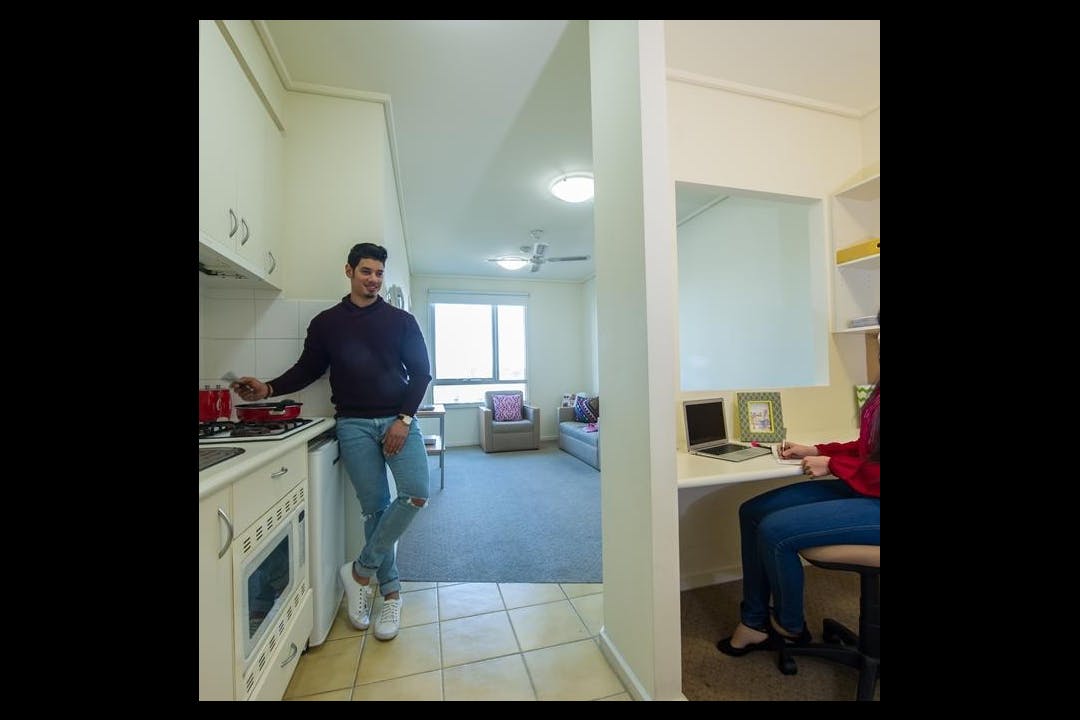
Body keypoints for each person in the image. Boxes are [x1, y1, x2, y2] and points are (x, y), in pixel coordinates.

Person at [231, 242, 431, 642]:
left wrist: (403, 420)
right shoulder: (326, 323)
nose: (373, 280)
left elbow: (422, 373)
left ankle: (359, 572)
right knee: (374, 509)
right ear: (349, 271)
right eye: (366, 272)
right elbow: (308, 369)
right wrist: (268, 387)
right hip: (352, 425)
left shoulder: (401, 321)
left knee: (415, 494)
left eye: (378, 273)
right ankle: (390, 593)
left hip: (398, 421)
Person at [716, 313, 880, 657]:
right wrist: (818, 450)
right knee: (754, 511)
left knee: (777, 530)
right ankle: (754, 622)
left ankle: (789, 627)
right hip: (867, 488)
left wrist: (833, 465)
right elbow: (868, 446)